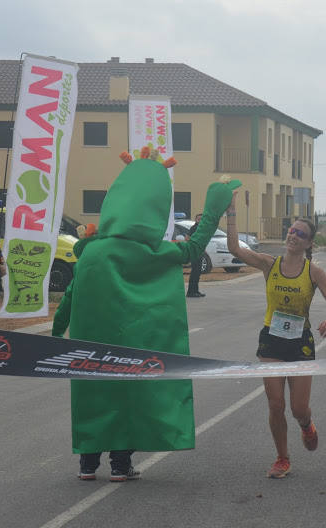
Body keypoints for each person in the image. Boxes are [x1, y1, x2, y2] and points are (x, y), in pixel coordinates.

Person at [51, 148, 240, 482]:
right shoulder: (156, 252)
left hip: (89, 342)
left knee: (92, 390)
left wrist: (56, 333)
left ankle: (87, 463)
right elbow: (194, 249)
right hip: (136, 341)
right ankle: (121, 464)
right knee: (130, 393)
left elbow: (70, 293)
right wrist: (214, 208)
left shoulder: (92, 250)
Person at [226, 192, 326, 479]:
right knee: (275, 404)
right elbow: (234, 248)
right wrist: (230, 212)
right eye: (292, 230)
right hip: (272, 340)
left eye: (300, 234)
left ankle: (307, 425)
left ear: (308, 243)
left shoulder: (314, 273)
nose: (293, 236)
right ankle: (282, 458)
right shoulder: (270, 264)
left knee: (298, 408)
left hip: (300, 344)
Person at [186, 213, 205, 298]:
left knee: (197, 273)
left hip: (200, 252)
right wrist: (194, 245)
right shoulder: (194, 228)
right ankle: (191, 292)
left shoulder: (201, 228)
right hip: (195, 253)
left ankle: (195, 291)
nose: (200, 220)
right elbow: (187, 237)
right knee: (194, 273)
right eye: (198, 219)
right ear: (196, 220)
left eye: (201, 219)